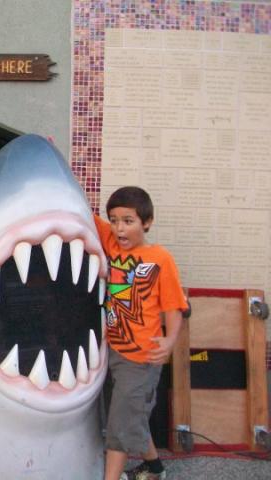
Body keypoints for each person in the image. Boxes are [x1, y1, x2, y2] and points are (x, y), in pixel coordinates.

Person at [94, 186, 187, 480]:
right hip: (113, 351)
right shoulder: (111, 242)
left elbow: (174, 306)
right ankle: (154, 467)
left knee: (121, 424)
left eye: (128, 221)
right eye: (114, 220)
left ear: (147, 222)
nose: (119, 228)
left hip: (142, 358)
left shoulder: (160, 259)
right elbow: (82, 210)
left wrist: (170, 340)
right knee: (129, 414)